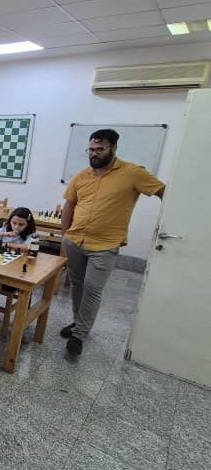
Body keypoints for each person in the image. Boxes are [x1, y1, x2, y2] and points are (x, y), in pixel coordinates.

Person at [61, 129, 165, 355]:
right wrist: (65, 235)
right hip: (75, 240)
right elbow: (69, 205)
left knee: (92, 289)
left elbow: (163, 192)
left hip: (105, 246)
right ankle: (78, 323)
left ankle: (79, 334)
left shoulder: (133, 173)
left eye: (100, 149)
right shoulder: (81, 176)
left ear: (113, 148)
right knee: (77, 285)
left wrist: (173, 224)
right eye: (91, 149)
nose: (94, 153)